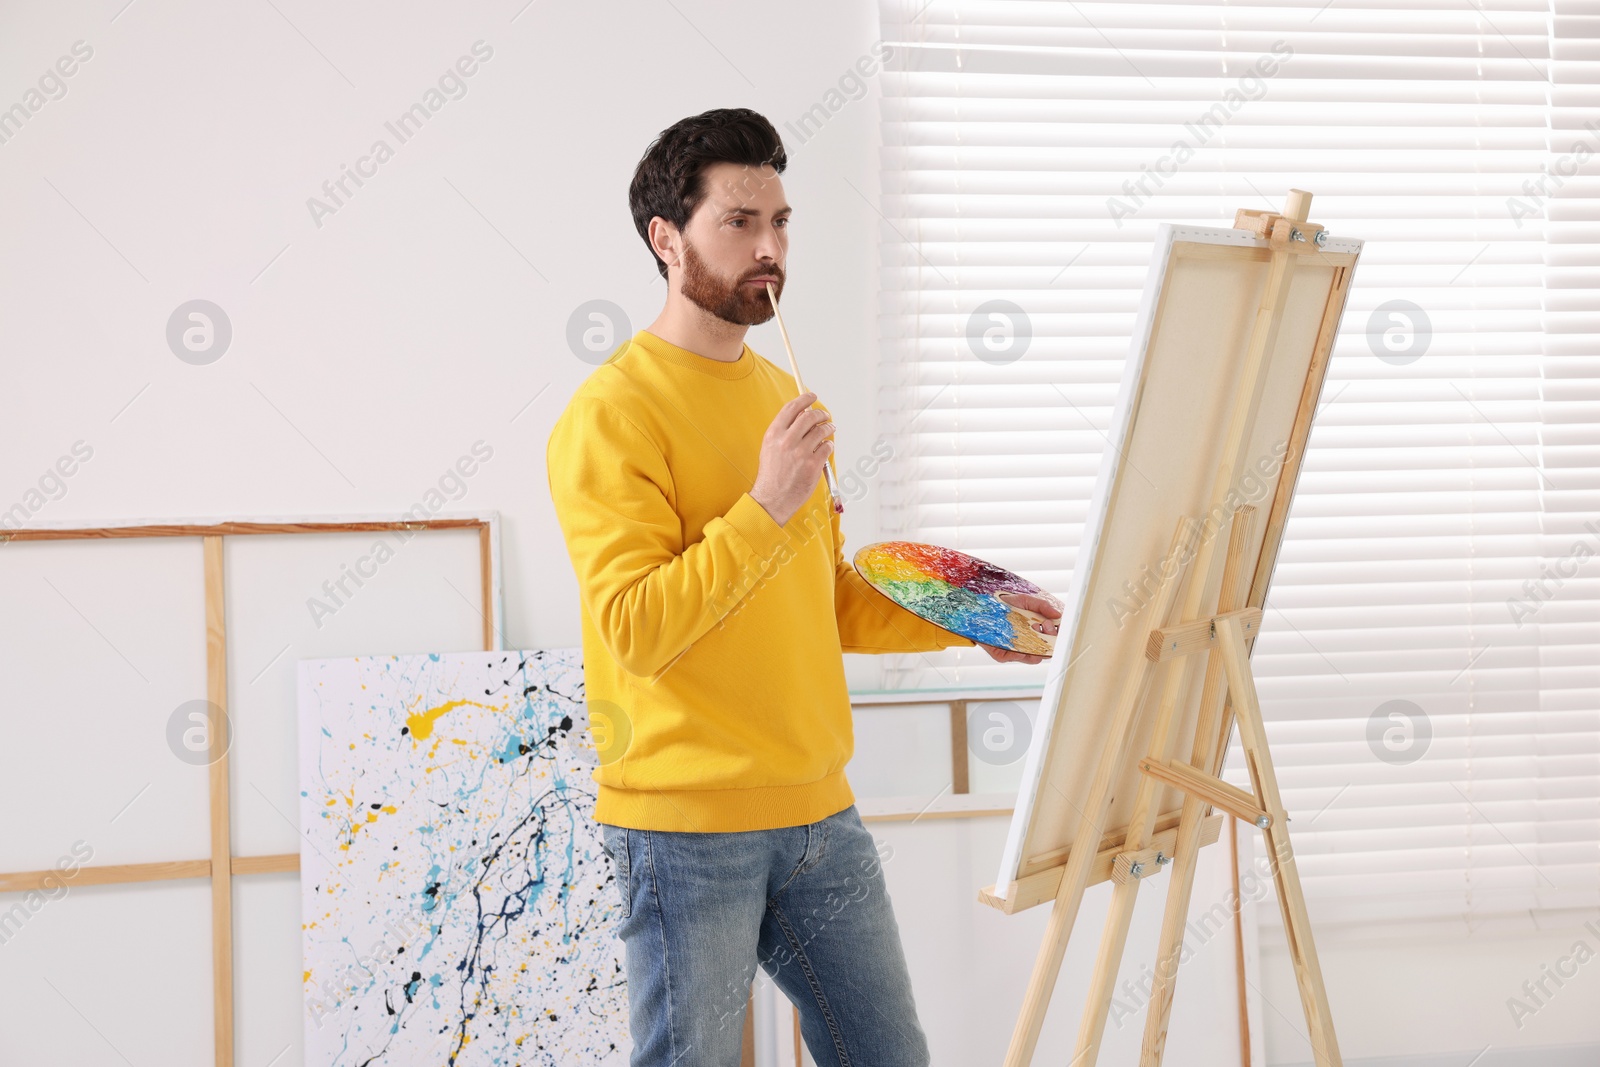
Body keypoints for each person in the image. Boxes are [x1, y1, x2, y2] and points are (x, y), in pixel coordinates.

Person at [545, 107, 1063, 1067]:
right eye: (739, 222)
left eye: (780, 222)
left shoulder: (780, 393)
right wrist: (767, 501)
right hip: (686, 828)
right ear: (667, 239)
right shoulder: (611, 414)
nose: (769, 247)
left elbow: (823, 602)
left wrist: (968, 621)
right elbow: (639, 630)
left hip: (820, 812)